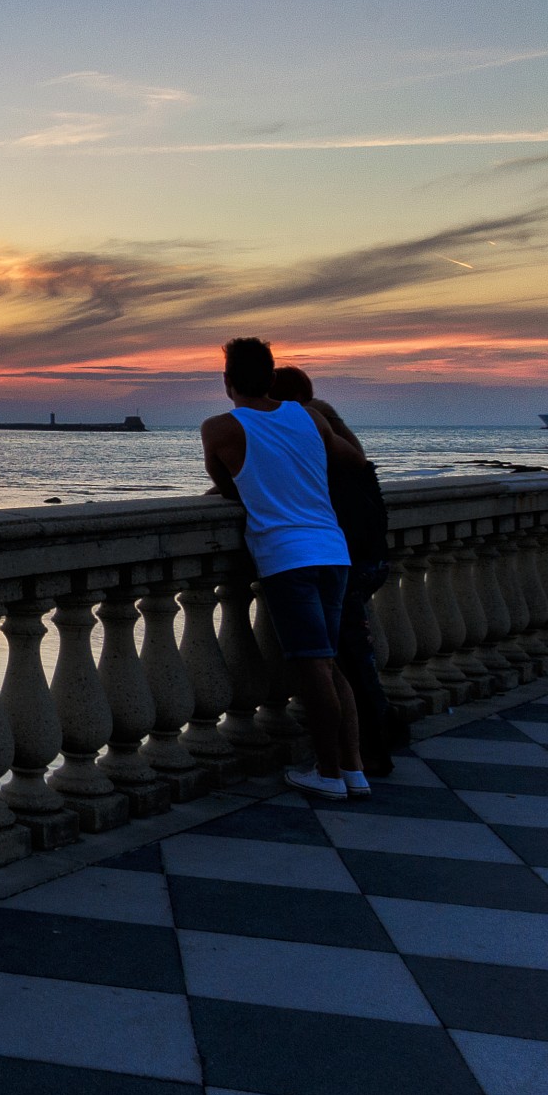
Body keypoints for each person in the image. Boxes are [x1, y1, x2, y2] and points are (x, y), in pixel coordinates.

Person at [200, 337, 369, 800]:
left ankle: (330, 773)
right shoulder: (310, 418)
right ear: (273, 377)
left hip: (286, 557)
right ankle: (353, 769)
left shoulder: (219, 428)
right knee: (330, 664)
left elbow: (229, 486)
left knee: (313, 668)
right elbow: (355, 459)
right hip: (333, 551)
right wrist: (330, 418)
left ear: (226, 381)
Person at [273, 364, 400, 776]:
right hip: (372, 559)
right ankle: (374, 746)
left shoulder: (306, 433)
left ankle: (365, 756)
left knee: (344, 663)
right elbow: (361, 464)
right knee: (354, 658)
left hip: (343, 560)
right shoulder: (336, 433)